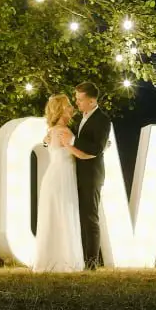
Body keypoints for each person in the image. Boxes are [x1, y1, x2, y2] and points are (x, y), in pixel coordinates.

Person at [32, 94, 85, 273]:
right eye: (69, 105)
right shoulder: (63, 131)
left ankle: (50, 261)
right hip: (61, 177)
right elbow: (76, 152)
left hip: (54, 176)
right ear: (62, 110)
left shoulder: (51, 131)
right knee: (63, 214)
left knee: (55, 216)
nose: (72, 108)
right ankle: (65, 262)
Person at [63, 81, 112, 270]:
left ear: (92, 101)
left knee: (90, 218)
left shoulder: (102, 120)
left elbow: (97, 148)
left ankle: (91, 263)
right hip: (77, 173)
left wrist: (74, 140)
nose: (77, 103)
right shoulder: (80, 119)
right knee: (78, 218)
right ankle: (80, 259)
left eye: (80, 99)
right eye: (76, 99)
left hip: (91, 176)